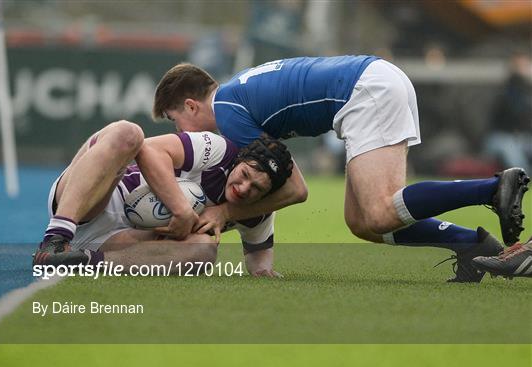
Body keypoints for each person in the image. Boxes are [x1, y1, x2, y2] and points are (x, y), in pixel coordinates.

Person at [151, 56, 530, 283]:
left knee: (380, 210)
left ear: (190, 105)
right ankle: (472, 244)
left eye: (174, 121)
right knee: (362, 222)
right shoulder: (236, 95)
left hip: (366, 91)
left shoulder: (228, 113)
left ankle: (492, 189)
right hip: (370, 84)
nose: (179, 132)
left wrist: (225, 211)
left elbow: (295, 189)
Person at [33, 120, 293, 277]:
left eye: (257, 189)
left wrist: (263, 273)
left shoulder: (258, 212)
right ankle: (55, 240)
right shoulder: (217, 150)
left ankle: (85, 262)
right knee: (128, 133)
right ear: (238, 161)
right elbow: (149, 148)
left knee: (203, 251)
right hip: (93, 201)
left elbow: (259, 260)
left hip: (118, 241)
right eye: (245, 174)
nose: (245, 188)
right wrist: (181, 210)